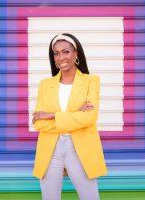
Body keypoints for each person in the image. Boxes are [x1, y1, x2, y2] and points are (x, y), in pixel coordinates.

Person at [32, 33, 107, 200]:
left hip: (79, 147)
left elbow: (89, 118)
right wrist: (74, 115)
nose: (60, 57)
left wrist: (52, 115)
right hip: (50, 148)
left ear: (76, 54)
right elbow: (38, 124)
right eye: (56, 53)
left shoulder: (91, 81)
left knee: (90, 197)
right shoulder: (46, 84)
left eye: (66, 52)